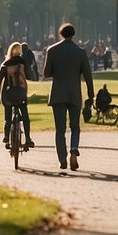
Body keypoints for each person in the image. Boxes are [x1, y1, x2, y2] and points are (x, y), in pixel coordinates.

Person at [42, 23, 94, 171]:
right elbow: (88, 75)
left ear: (61, 34)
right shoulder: (80, 52)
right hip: (74, 93)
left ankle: (62, 159)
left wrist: (57, 72)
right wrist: (91, 93)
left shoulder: (52, 50)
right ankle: (73, 149)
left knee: (60, 129)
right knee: (75, 126)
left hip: (58, 93)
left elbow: (46, 73)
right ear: (73, 34)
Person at [0, 42, 35, 150]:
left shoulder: (5, 64)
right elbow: (29, 75)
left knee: (8, 117)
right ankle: (28, 139)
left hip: (8, 95)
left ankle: (6, 136)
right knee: (25, 116)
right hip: (21, 94)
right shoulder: (23, 63)